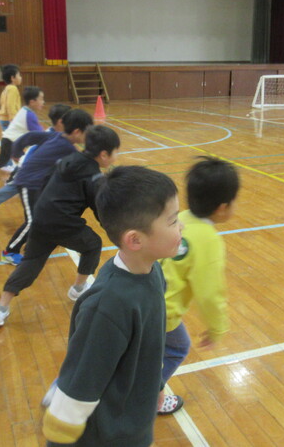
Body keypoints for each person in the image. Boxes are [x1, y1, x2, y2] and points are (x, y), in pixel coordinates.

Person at [41, 166, 182, 447]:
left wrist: (156, 385)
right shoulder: (108, 306)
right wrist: (60, 435)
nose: (181, 227)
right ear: (135, 239)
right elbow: (81, 379)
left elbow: (149, 346)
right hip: (105, 437)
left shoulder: (153, 272)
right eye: (173, 221)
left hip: (134, 425)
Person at [0, 125, 121, 325]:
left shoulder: (67, 159)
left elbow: (45, 181)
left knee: (31, 262)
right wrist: (116, 233)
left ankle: (1, 308)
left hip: (40, 218)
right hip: (63, 223)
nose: (116, 156)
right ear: (104, 154)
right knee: (93, 244)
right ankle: (78, 289)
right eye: (115, 152)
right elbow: (99, 210)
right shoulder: (94, 177)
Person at [156, 156, 240, 415]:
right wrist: (217, 328)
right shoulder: (208, 240)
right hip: (163, 311)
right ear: (222, 207)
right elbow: (209, 294)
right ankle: (147, 395)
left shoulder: (179, 217)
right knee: (177, 348)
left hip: (146, 294)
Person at [0, 109, 94, 265]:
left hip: (37, 185)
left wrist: (16, 152)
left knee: (39, 218)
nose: (88, 136)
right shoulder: (68, 148)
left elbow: (28, 137)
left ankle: (31, 247)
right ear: (77, 132)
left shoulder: (56, 135)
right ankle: (9, 252)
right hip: (28, 183)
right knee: (32, 221)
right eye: (87, 133)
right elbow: (80, 163)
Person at [0, 103, 72, 220]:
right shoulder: (50, 135)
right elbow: (30, 147)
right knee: (13, 188)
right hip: (27, 167)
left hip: (36, 170)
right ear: (61, 121)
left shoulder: (58, 135)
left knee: (17, 188)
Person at [0, 83, 45, 187]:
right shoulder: (29, 115)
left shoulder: (25, 110)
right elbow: (41, 135)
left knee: (2, 161)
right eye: (41, 99)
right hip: (11, 142)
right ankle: (10, 182)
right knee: (24, 162)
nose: (43, 102)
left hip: (7, 140)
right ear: (32, 102)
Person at [0, 63, 23, 172]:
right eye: (19, 75)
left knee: (9, 142)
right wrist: (13, 119)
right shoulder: (13, 89)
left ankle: (7, 162)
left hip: (4, 119)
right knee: (10, 143)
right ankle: (7, 164)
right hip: (9, 120)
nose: (21, 77)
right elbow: (10, 105)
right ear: (13, 78)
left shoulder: (7, 88)